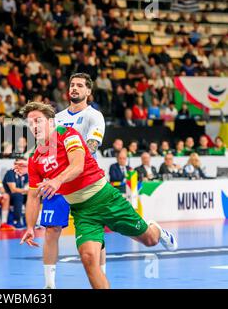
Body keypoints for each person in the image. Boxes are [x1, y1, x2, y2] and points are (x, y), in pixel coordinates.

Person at [19, 102, 177, 289]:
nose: (34, 126)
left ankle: (156, 229)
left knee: (150, 240)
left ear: (51, 122)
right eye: (30, 124)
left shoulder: (67, 135)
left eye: (38, 121)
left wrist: (57, 180)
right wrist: (30, 226)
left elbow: (77, 165)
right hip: (82, 212)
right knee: (88, 258)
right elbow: (33, 196)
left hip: (106, 199)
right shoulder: (34, 158)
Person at [42, 72, 107, 289]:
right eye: (72, 85)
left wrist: (72, 163)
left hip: (85, 181)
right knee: (51, 229)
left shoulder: (93, 116)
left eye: (80, 85)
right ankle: (49, 285)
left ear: (88, 91)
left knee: (95, 235)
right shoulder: (57, 118)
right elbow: (46, 149)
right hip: (59, 181)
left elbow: (91, 147)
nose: (75, 88)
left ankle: (101, 279)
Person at [3, 157, 29, 229]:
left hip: (21, 194)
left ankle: (30, 221)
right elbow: (13, 189)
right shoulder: (10, 173)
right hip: (10, 196)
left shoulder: (25, 174)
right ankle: (16, 221)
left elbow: (28, 187)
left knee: (33, 196)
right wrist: (27, 191)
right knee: (18, 195)